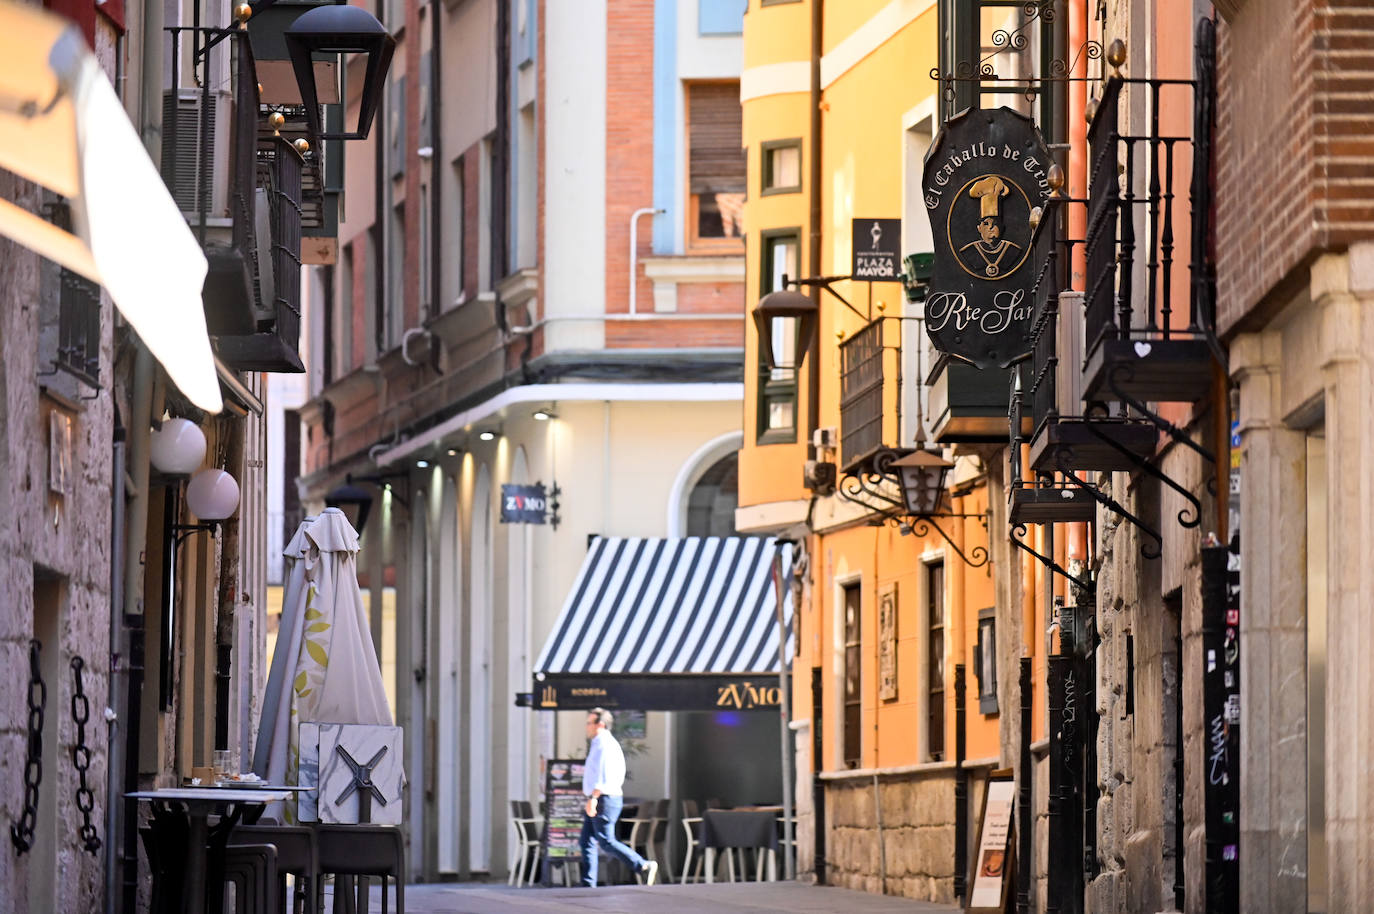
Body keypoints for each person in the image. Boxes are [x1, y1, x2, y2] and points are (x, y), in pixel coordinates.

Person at [578, 708, 658, 887]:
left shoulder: (604, 744)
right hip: (603, 797)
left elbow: (602, 774)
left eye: (589, 723)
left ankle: (642, 865)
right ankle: (588, 883)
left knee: (606, 841)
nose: (586, 727)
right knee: (587, 841)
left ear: (600, 724)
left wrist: (594, 798)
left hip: (604, 798)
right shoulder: (601, 743)